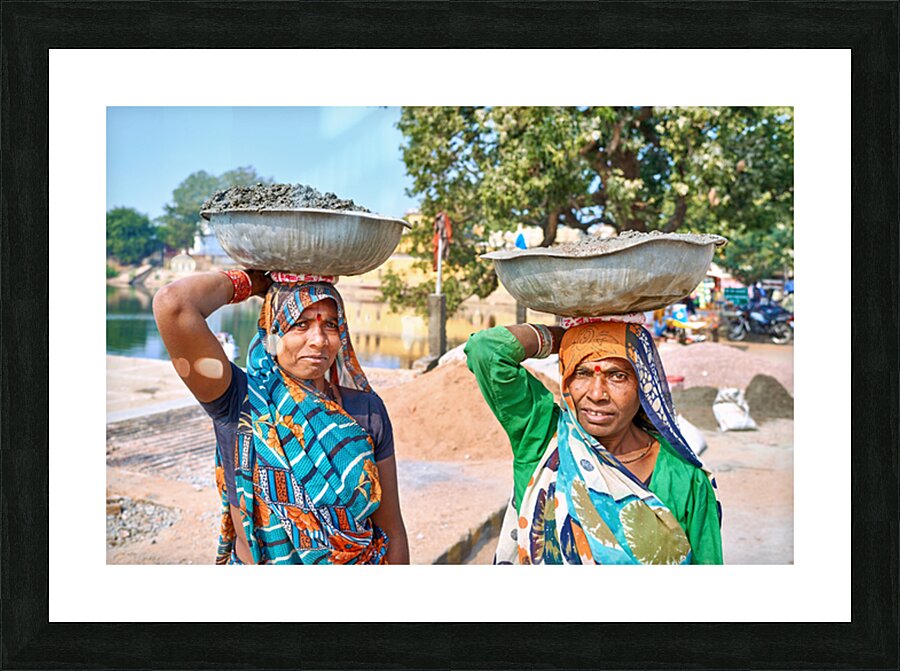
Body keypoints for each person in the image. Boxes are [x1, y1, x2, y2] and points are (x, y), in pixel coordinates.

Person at [153, 269, 409, 565]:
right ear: (271, 335)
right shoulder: (237, 400)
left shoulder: (367, 410)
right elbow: (173, 304)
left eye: (330, 325)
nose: (318, 340)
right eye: (300, 325)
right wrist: (256, 282)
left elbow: (392, 530)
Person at [465, 317, 722, 565]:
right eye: (582, 372)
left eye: (617, 376)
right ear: (566, 379)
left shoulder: (685, 478)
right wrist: (565, 338)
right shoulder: (544, 440)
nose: (597, 394)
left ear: (642, 384)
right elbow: (486, 349)